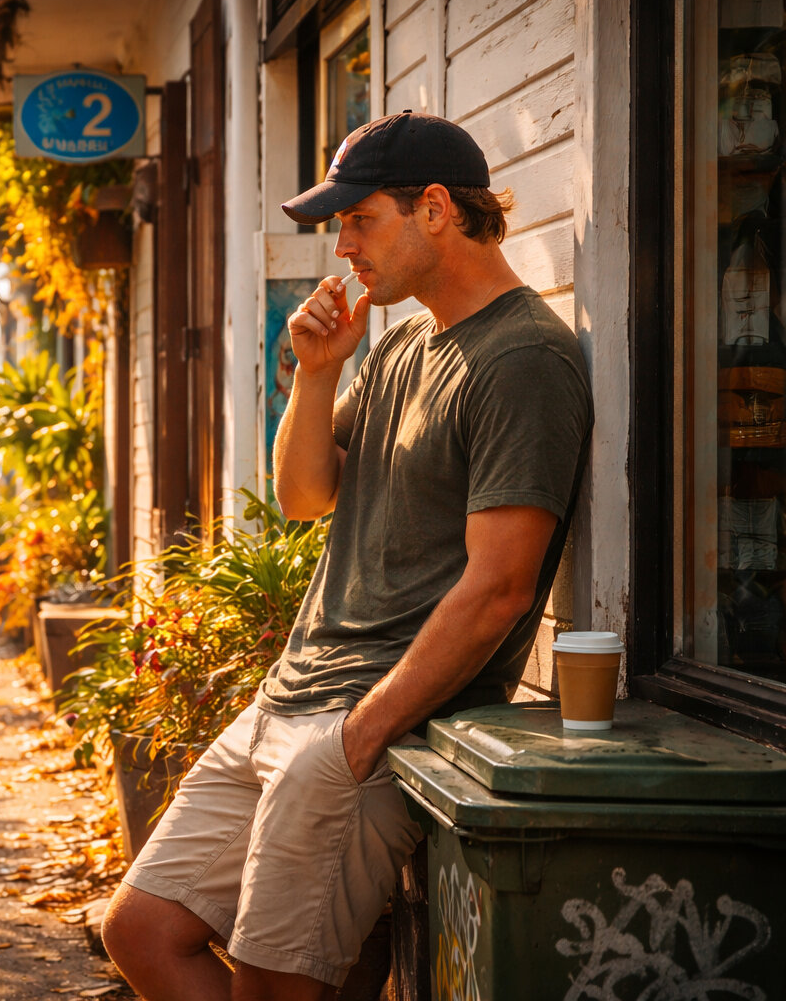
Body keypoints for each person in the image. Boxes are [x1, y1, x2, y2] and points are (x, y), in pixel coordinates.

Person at [100, 112, 593, 1000]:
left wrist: (360, 737)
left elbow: (500, 590)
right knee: (139, 930)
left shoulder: (524, 359)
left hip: (362, 725)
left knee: (272, 983)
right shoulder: (404, 343)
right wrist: (318, 370)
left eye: (359, 221)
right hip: (288, 698)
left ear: (435, 209)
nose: (344, 250)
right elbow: (305, 498)